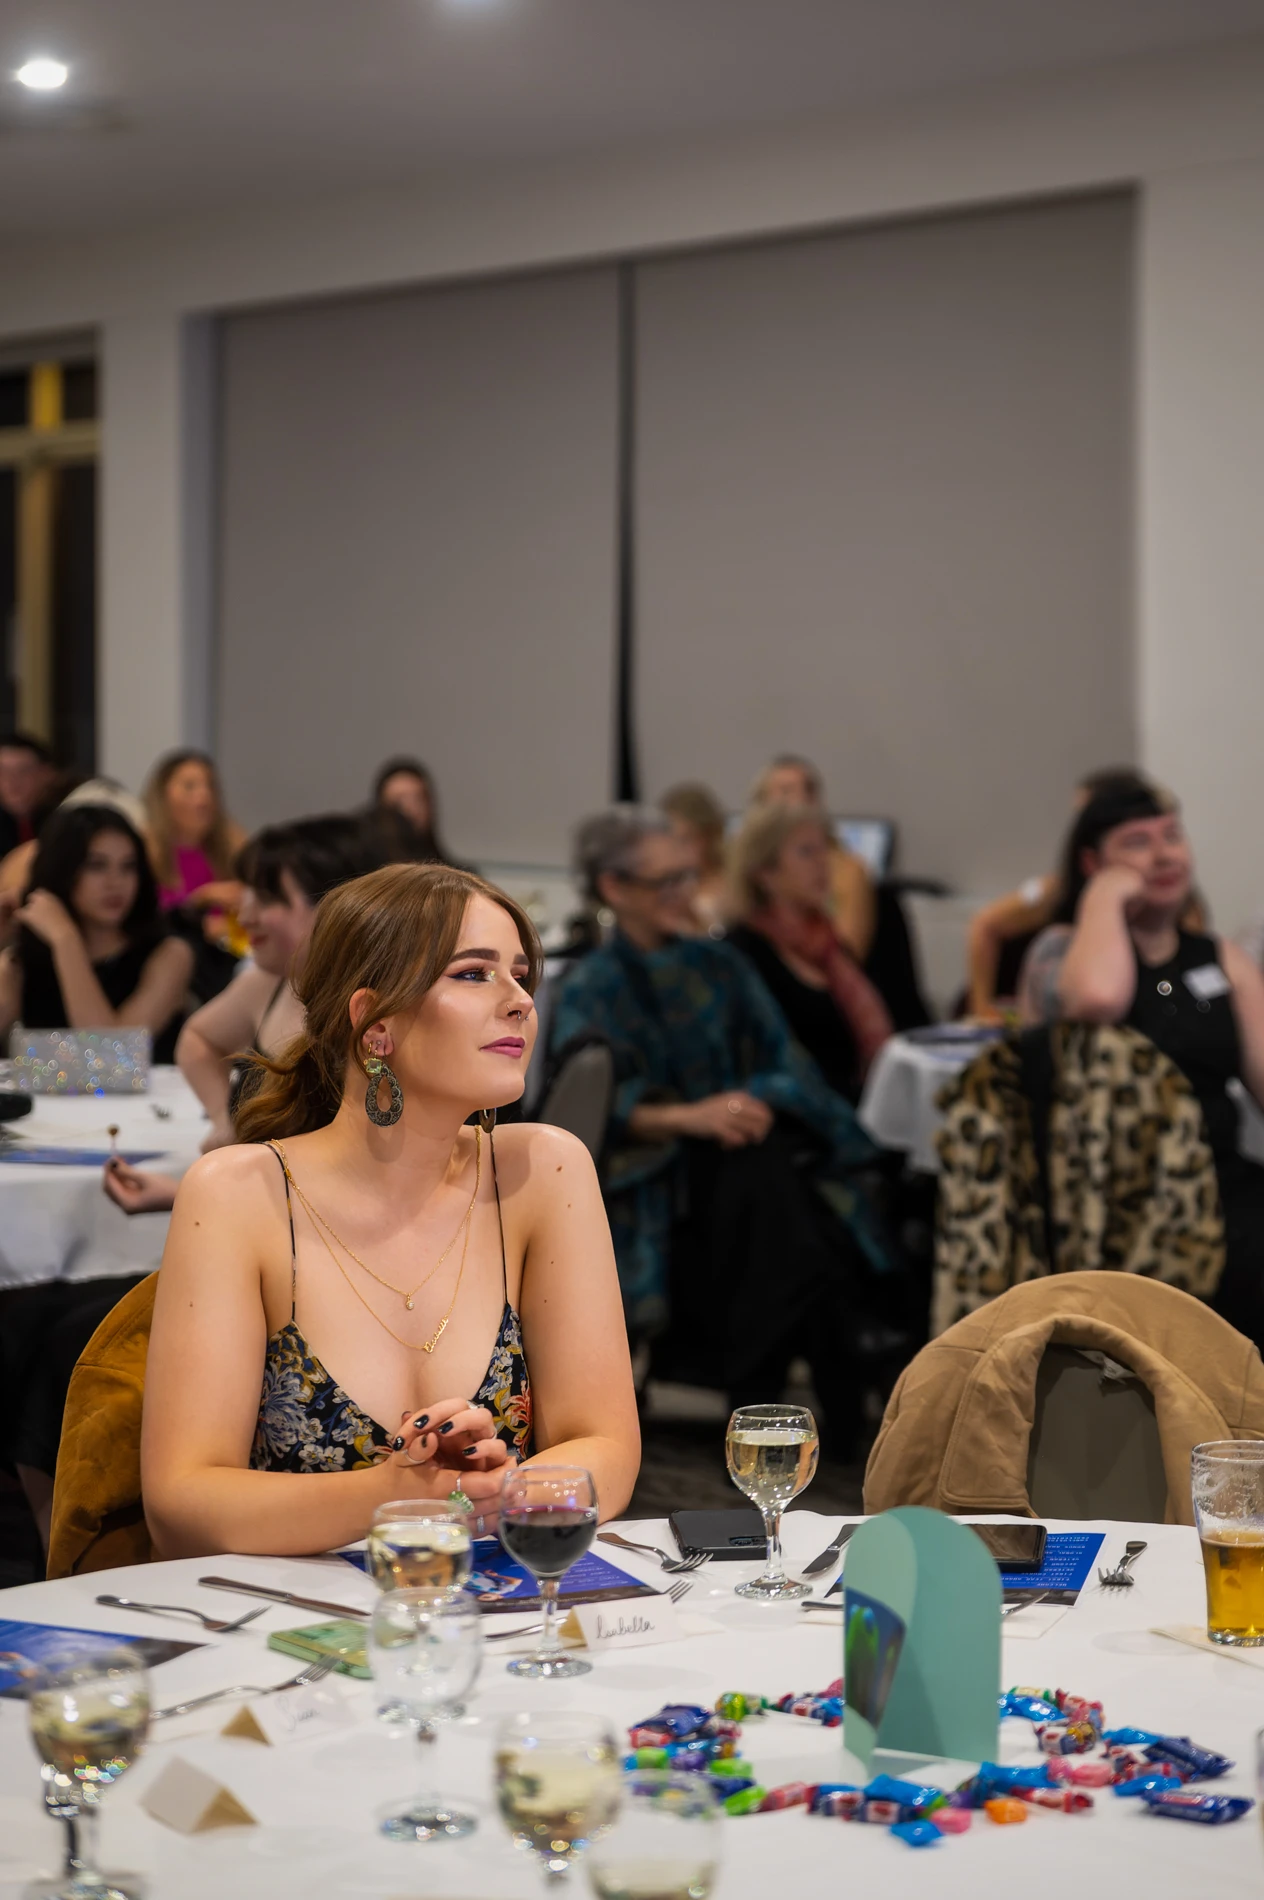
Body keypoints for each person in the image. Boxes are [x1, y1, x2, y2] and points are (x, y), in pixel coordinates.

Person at [140, 861, 639, 1557]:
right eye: (474, 974)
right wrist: (390, 1494)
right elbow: (181, 1505)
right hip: (285, 1630)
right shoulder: (239, 1194)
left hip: (496, 1612)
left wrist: (508, 1489)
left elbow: (608, 1444)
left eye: (521, 974)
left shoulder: (544, 1170)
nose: (521, 1000)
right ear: (375, 1026)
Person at [549, 807, 896, 1456]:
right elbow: (587, 1114)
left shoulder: (720, 968)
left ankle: (763, 1400)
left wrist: (752, 1101)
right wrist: (693, 1117)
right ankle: (828, 1400)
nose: (685, 893)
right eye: (665, 882)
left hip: (742, 1170)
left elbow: (785, 1061)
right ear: (614, 888)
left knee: (761, 1174)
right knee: (770, 1195)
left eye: (689, 876)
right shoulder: (591, 987)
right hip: (657, 1178)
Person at [1018, 781, 1264, 1345]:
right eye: (1136, 842)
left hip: (1216, 1184)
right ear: (1091, 862)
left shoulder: (1217, 956)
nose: (1162, 854)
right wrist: (1105, 896)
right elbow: (1099, 999)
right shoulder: (1059, 952)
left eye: (1172, 836)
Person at [966, 767, 1163, 1021]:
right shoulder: (1055, 893)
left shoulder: (1178, 903)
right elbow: (985, 923)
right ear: (1091, 860)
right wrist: (982, 1008)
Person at [726, 802, 892, 1102]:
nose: (822, 864)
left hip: (853, 1101)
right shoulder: (742, 952)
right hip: (793, 1116)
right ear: (766, 872)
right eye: (806, 852)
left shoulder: (827, 942)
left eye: (823, 850)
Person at [0, 804, 193, 1060]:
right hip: (46, 1100)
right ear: (63, 870)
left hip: (145, 1101)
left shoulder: (170, 954)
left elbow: (110, 1057)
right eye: (97, 866)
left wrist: (66, 940)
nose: (115, 882)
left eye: (128, 867)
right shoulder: (22, 962)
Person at [749, 754, 876, 962]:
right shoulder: (743, 866)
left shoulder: (846, 870)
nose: (801, 798)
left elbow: (848, 953)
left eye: (809, 789)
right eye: (786, 791)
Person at [659, 781, 729, 932]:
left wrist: (693, 917)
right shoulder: (664, 885)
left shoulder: (734, 881)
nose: (678, 850)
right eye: (671, 841)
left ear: (709, 835)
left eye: (686, 839)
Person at [371, 757, 460, 866]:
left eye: (418, 799)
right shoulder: (360, 871)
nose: (410, 809)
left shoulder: (454, 875)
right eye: (398, 802)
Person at [0, 732, 58, 859]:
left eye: (23, 771)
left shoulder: (62, 822)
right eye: (3, 772)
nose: (12, 782)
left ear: (46, 774)